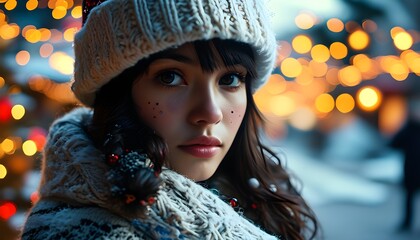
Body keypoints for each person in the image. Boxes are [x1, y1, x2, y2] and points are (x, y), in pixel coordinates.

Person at [20, 0, 319, 239]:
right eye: (170, 77)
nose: (211, 113)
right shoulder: (78, 231)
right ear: (118, 91)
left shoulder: (247, 193)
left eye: (230, 79)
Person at [390, 95, 420, 231]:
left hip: (412, 168)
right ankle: (407, 223)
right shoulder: (408, 130)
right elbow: (393, 144)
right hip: (411, 169)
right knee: (408, 198)